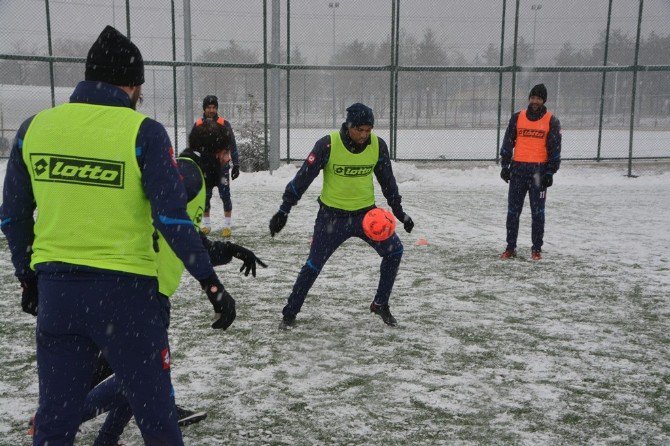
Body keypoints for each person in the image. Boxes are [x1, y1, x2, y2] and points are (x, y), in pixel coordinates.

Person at [0, 26, 234, 446]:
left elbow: (13, 217)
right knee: (159, 425)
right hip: (129, 301)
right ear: (130, 85)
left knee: (55, 425)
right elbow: (173, 221)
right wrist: (211, 284)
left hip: (58, 297)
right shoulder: (144, 132)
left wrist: (27, 275)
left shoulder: (34, 128)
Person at [78, 121, 266, 446]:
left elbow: (188, 239)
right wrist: (214, 289)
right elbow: (168, 221)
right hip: (146, 287)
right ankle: (58, 415)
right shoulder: (189, 173)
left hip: (149, 286)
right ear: (218, 153)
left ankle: (102, 435)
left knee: (140, 372)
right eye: (225, 154)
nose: (228, 160)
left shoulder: (192, 174)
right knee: (141, 373)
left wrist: (232, 251)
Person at [268, 103, 414, 329]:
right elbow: (303, 178)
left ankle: (380, 304)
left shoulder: (378, 146)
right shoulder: (328, 144)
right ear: (348, 126)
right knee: (313, 265)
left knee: (395, 251)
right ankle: (290, 314)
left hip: (367, 217)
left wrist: (400, 213)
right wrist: (284, 209)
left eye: (369, 130)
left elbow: (388, 183)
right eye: (360, 130)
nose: (364, 135)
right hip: (331, 218)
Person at [499, 83, 562, 261]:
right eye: (533, 97)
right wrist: (505, 166)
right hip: (518, 171)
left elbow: (555, 149)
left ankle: (536, 249)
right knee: (513, 212)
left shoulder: (551, 121)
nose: (535, 101)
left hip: (538, 173)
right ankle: (510, 247)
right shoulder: (517, 118)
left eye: (539, 98)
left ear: (543, 101)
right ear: (529, 98)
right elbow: (507, 142)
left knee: (537, 213)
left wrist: (550, 172)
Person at [193, 95, 240, 237]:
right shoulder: (198, 125)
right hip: (206, 168)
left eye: (214, 107)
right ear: (204, 108)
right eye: (209, 107)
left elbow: (232, 144)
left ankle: (227, 226)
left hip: (222, 168)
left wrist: (236, 164)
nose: (212, 110)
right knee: (205, 197)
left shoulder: (224, 124)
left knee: (225, 195)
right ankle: (206, 225)